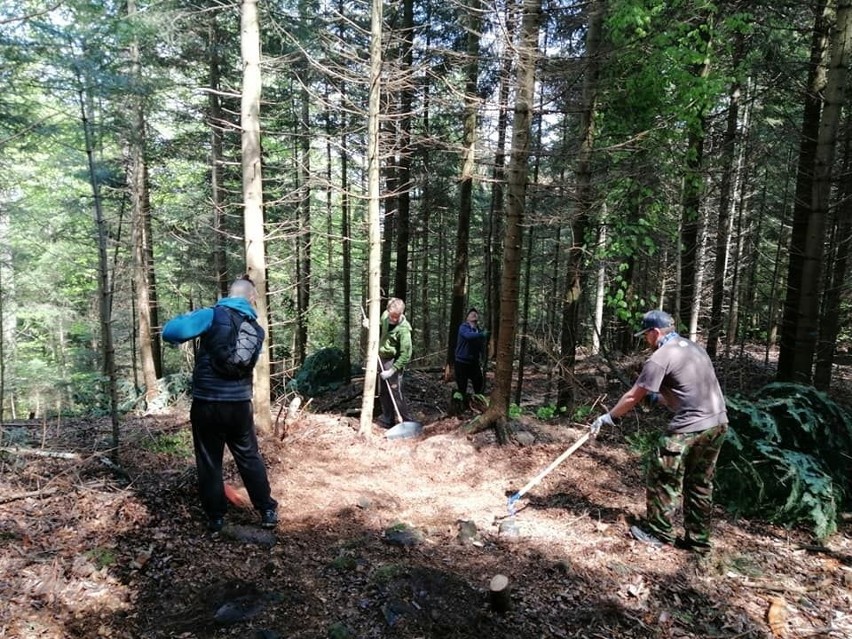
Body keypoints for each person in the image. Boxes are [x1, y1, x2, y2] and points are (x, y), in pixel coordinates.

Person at [589, 310, 728, 554]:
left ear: (655, 332)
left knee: (663, 476)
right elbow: (687, 392)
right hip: (717, 423)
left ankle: (658, 533)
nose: (646, 340)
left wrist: (609, 417)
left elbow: (633, 395)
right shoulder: (694, 349)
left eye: (646, 335)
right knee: (699, 482)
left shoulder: (661, 357)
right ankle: (698, 542)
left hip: (689, 427)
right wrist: (656, 398)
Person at [162, 276, 278, 534]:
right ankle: (267, 509)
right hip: (239, 405)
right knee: (249, 457)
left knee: (209, 460)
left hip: (208, 403)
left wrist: (189, 317)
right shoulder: (256, 330)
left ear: (230, 295)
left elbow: (170, 332)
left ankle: (216, 518)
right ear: (251, 299)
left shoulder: (211, 315)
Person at [376, 297, 414, 427]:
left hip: (394, 361)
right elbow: (380, 325)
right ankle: (388, 419)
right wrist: (370, 324)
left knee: (395, 391)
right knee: (383, 392)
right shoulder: (385, 316)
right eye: (391, 316)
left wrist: (392, 370)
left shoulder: (404, 330)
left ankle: (407, 421)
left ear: (401, 313)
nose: (393, 319)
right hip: (382, 357)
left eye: (396, 317)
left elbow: (405, 355)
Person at [454, 308, 488, 397]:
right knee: (462, 387)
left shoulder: (479, 331)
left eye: (476, 314)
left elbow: (481, 347)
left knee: (478, 384)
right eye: (471, 313)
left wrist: (484, 358)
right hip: (461, 362)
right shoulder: (463, 327)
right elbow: (468, 336)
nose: (474, 314)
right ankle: (460, 406)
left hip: (474, 363)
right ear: (467, 318)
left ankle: (477, 403)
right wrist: (481, 335)